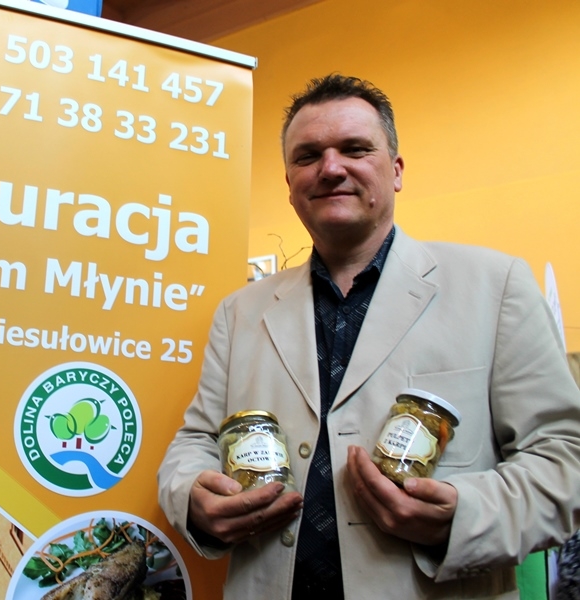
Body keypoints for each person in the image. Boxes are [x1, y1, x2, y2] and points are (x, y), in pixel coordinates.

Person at [157, 74, 580, 598]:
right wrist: (192, 498)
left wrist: (464, 515)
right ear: (289, 183)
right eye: (308, 156)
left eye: (355, 149)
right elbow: (196, 441)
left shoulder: (496, 287)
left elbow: (565, 456)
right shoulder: (239, 312)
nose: (331, 168)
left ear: (396, 170)